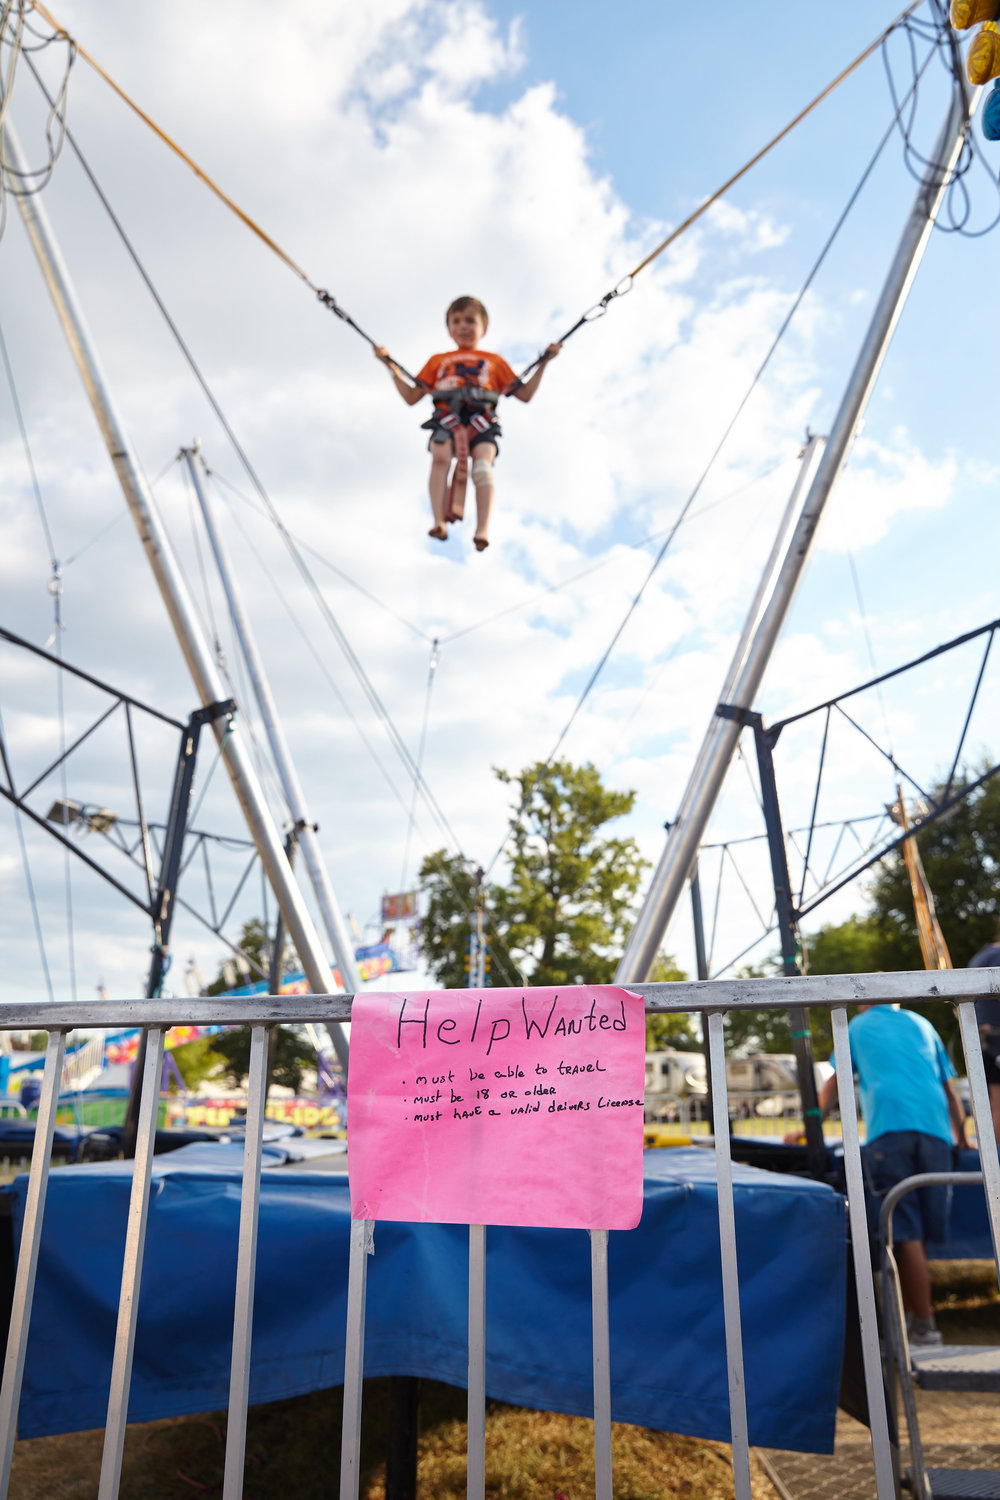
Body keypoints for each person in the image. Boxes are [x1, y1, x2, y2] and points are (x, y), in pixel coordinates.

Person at [817, 1003, 970, 1348]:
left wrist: (810, 1124)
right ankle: (919, 1316)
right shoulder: (921, 1022)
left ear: (862, 1002)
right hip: (936, 1132)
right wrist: (960, 1136)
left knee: (905, 1233)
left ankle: (924, 1325)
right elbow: (949, 1088)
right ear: (896, 1001)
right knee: (920, 1232)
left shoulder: (857, 1025)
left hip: (890, 1129)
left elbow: (837, 1080)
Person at [375, 296, 560, 551]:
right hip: (447, 420)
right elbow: (411, 396)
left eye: (470, 321)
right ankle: (438, 520)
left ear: (484, 327)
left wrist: (543, 363)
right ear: (449, 328)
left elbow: (524, 394)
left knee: (483, 466)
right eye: (456, 321)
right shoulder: (437, 361)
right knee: (440, 456)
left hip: (481, 421)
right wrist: (390, 366)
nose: (463, 326)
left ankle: (482, 528)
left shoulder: (494, 361)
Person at [968, 927, 1000, 1142]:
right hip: (996, 1037)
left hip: (982, 1037)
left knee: (994, 1101)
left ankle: (992, 1152)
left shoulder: (981, 955)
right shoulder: (997, 956)